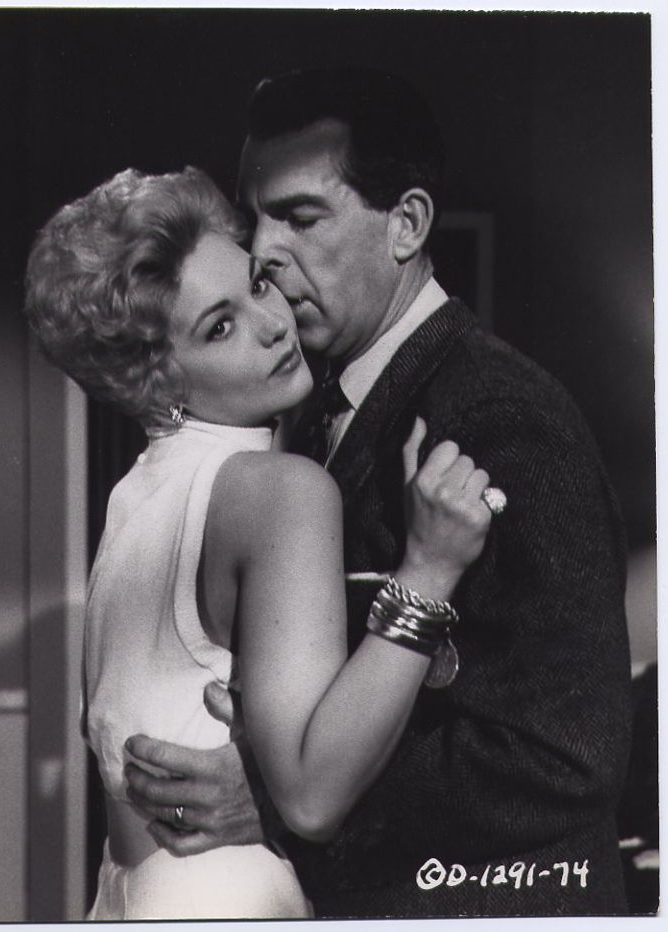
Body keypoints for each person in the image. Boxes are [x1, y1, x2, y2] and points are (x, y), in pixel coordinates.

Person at [126, 68, 633, 917]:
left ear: (407, 224)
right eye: (255, 217)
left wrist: (289, 802)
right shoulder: (306, 407)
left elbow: (567, 754)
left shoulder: (504, 416)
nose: (262, 251)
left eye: (300, 216)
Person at [23, 165, 495, 920]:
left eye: (258, 285)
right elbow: (311, 798)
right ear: (155, 382)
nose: (273, 323)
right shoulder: (282, 491)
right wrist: (429, 571)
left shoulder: (133, 496)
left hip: (131, 892)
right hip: (226, 894)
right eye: (220, 326)